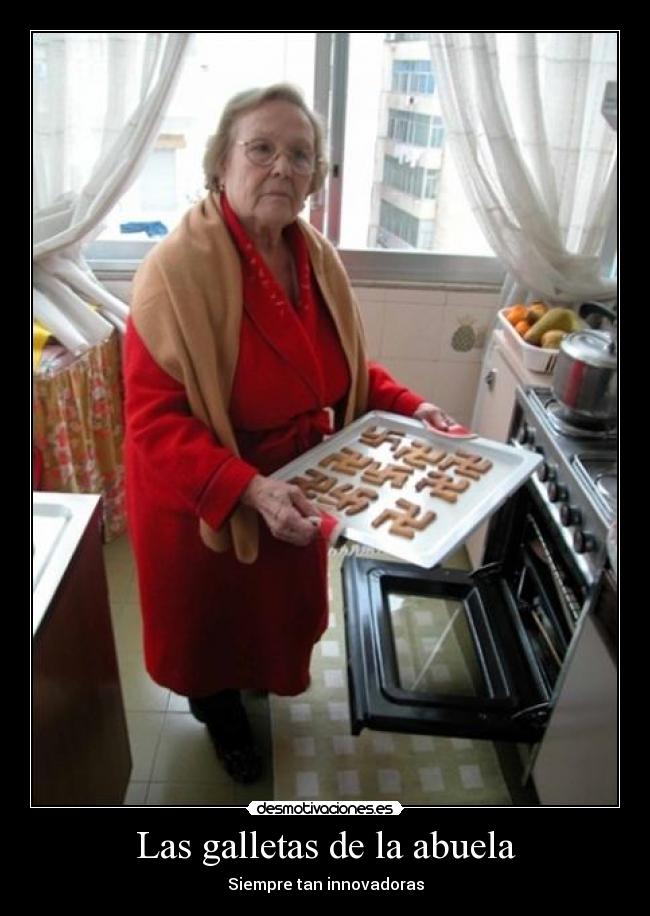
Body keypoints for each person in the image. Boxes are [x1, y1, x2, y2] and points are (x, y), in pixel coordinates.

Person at [124, 83, 461, 784]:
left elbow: (339, 370)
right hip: (209, 499)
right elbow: (154, 422)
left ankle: (250, 681)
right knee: (212, 635)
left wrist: (413, 407)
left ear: (315, 177)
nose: (282, 166)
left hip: (300, 483)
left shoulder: (315, 256)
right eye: (261, 149)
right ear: (220, 162)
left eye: (301, 155)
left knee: (273, 621)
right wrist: (248, 489)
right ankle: (219, 716)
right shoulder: (173, 275)